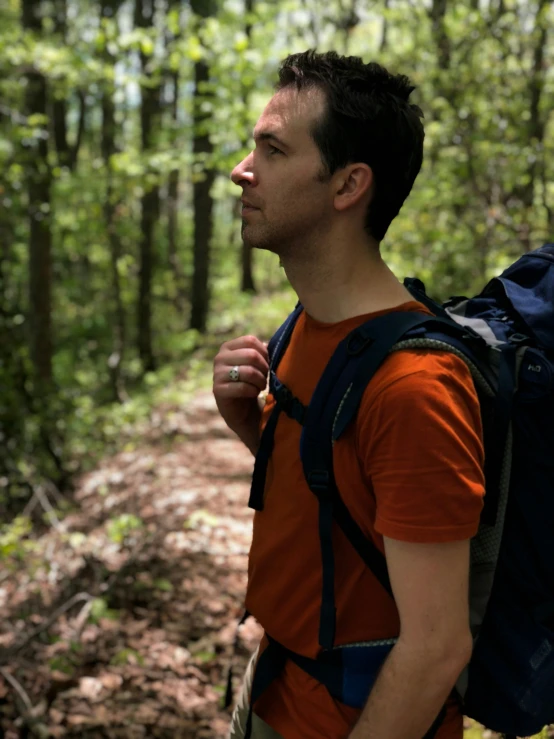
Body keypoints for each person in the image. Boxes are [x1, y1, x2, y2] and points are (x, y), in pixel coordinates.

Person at [213, 50, 485, 739]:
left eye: (272, 150)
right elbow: (343, 494)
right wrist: (254, 428)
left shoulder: (415, 388)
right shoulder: (309, 322)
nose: (241, 171)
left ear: (347, 185)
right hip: (277, 686)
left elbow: (436, 647)